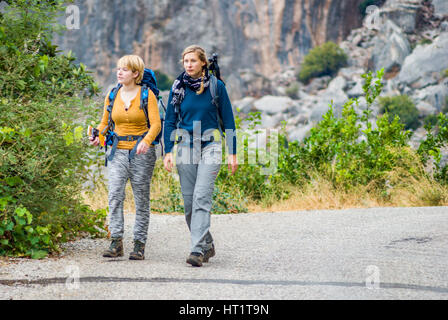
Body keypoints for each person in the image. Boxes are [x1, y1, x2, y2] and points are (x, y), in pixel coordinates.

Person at [163, 45, 238, 267]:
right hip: (185, 146)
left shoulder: (216, 87)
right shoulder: (178, 88)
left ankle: (196, 250)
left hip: (211, 146)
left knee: (201, 198)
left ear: (203, 62)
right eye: (186, 61)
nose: (189, 65)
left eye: (193, 61)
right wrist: (168, 150)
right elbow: (169, 121)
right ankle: (207, 244)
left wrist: (232, 152)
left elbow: (229, 121)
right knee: (188, 204)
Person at [89, 55, 161, 260]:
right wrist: (97, 134)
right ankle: (116, 242)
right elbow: (105, 123)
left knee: (141, 198)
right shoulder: (112, 95)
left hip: (142, 152)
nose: (119, 72)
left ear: (136, 74)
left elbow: (156, 125)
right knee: (115, 195)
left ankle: (139, 244)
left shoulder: (147, 95)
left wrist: (146, 141)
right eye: (118, 68)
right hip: (117, 150)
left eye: (125, 69)